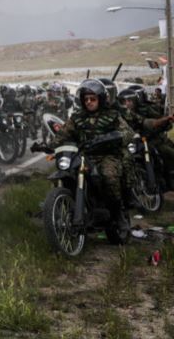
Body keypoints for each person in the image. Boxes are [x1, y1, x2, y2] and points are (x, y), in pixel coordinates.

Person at [43, 79, 132, 230]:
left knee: (109, 176)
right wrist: (46, 146)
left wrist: (110, 137)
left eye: (93, 99)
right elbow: (63, 134)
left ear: (101, 99)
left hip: (107, 155)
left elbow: (128, 132)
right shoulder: (77, 117)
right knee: (69, 172)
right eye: (86, 99)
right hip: (83, 155)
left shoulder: (113, 115)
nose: (89, 102)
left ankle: (118, 215)